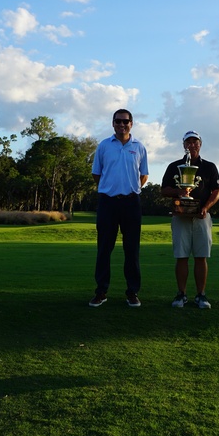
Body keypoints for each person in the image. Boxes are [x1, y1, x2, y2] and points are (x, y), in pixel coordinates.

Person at [89, 109, 149, 308]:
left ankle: (132, 292)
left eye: (125, 121)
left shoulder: (139, 147)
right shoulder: (104, 146)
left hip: (131, 203)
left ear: (131, 123)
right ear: (113, 123)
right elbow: (97, 174)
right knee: (104, 249)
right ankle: (101, 291)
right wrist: (110, 188)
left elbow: (144, 175)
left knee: (132, 250)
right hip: (108, 202)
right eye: (118, 121)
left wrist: (130, 189)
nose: (122, 124)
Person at [160, 130, 219, 309]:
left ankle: (201, 295)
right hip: (180, 217)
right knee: (181, 257)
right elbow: (164, 190)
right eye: (188, 142)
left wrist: (205, 207)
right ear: (184, 145)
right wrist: (179, 192)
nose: (192, 145)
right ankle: (181, 294)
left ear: (200, 145)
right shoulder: (174, 166)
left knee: (201, 257)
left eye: (195, 142)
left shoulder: (209, 167)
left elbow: (217, 191)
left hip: (202, 217)